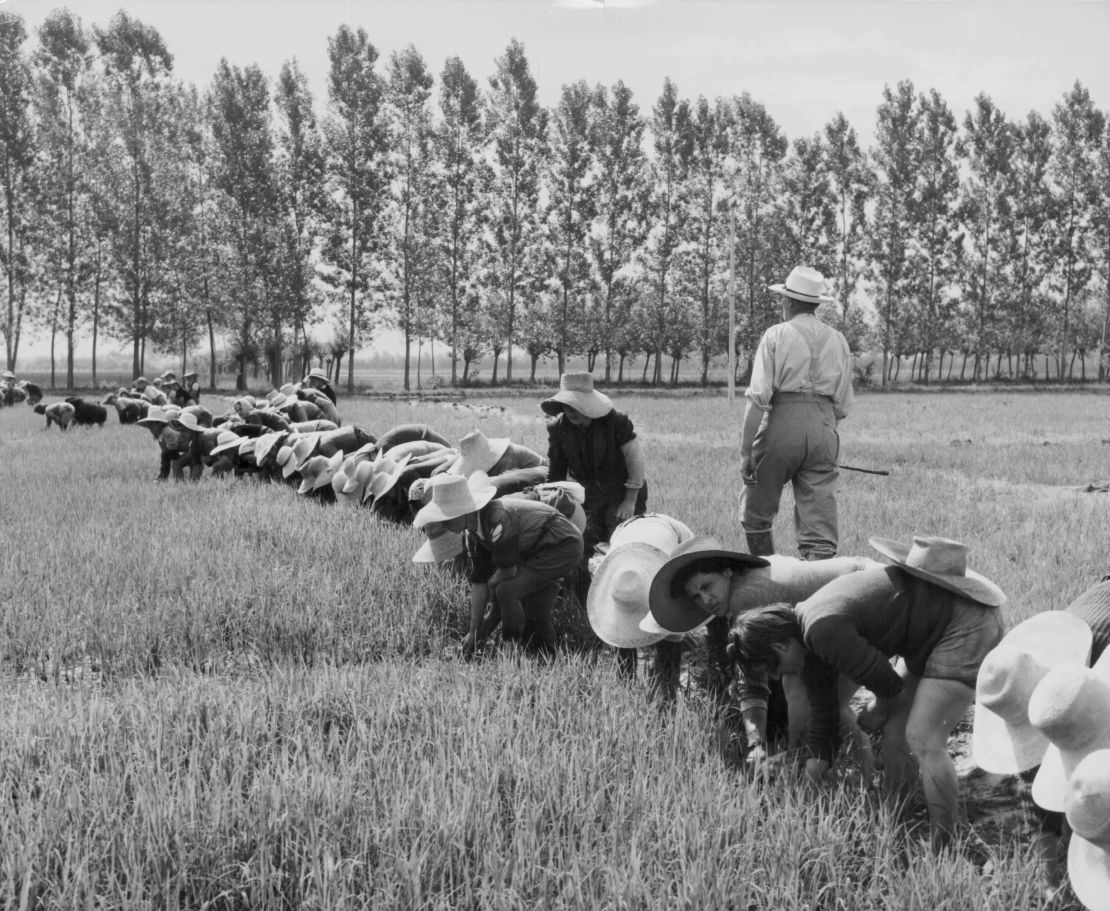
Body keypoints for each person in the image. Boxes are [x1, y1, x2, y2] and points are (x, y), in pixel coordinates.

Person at [727, 535, 1006, 850]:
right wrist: (808, 780)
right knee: (897, 728)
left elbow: (887, 685)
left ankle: (944, 843)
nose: (779, 677)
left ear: (780, 646)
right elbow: (824, 722)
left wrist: (878, 707)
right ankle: (899, 809)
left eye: (774, 669)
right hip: (930, 632)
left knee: (923, 737)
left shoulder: (822, 629)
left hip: (967, 624)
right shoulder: (809, 643)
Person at [645, 535, 879, 765]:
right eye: (696, 596)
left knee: (828, 700)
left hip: (869, 594)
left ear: (727, 571)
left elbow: (752, 678)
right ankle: (803, 756)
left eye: (707, 586)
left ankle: (865, 769)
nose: (706, 599)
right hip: (854, 595)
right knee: (796, 687)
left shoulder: (745, 598)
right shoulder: (743, 583)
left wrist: (755, 743)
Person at [739, 266, 853, 560]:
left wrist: (745, 452)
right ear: (816, 304)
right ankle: (817, 590)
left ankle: (767, 575)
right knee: (819, 526)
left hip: (781, 423)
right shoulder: (839, 340)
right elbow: (842, 404)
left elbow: (758, 397)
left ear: (788, 301)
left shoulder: (777, 334)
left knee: (756, 513)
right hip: (825, 427)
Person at [413, 471, 583, 659]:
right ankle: (539, 656)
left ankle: (511, 649)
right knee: (534, 609)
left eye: (447, 518)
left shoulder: (496, 518)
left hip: (560, 544)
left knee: (507, 591)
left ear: (463, 511)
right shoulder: (475, 535)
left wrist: (493, 584)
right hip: (537, 550)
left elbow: (508, 571)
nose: (445, 526)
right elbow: (479, 582)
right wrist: (475, 630)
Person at [542, 371, 647, 672]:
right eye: (568, 407)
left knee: (619, 551)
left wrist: (630, 500)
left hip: (621, 491)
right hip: (587, 495)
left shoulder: (616, 422)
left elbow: (636, 460)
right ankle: (593, 611)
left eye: (576, 407)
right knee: (582, 550)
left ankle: (629, 614)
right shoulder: (558, 427)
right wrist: (553, 502)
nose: (572, 412)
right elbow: (555, 473)